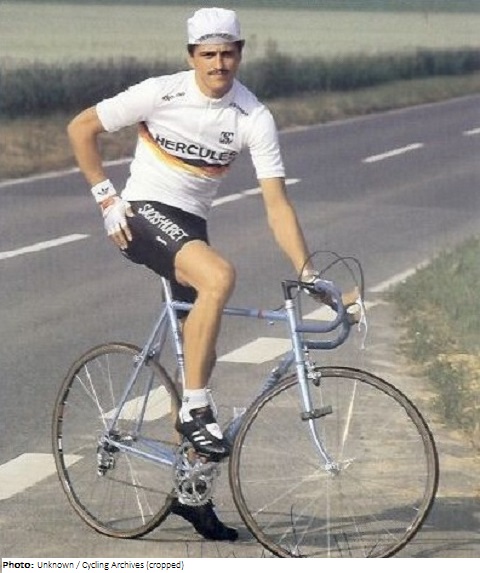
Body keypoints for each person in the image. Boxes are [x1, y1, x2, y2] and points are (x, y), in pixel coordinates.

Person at [67, 7, 318, 542]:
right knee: (219, 276)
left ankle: (191, 490)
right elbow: (81, 127)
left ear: (240, 54)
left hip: (189, 228)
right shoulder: (162, 92)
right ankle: (195, 411)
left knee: (200, 358)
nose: (218, 63)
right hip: (140, 212)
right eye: (208, 54)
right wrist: (106, 198)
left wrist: (308, 270)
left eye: (227, 53)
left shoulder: (253, 115)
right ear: (192, 57)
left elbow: (277, 204)